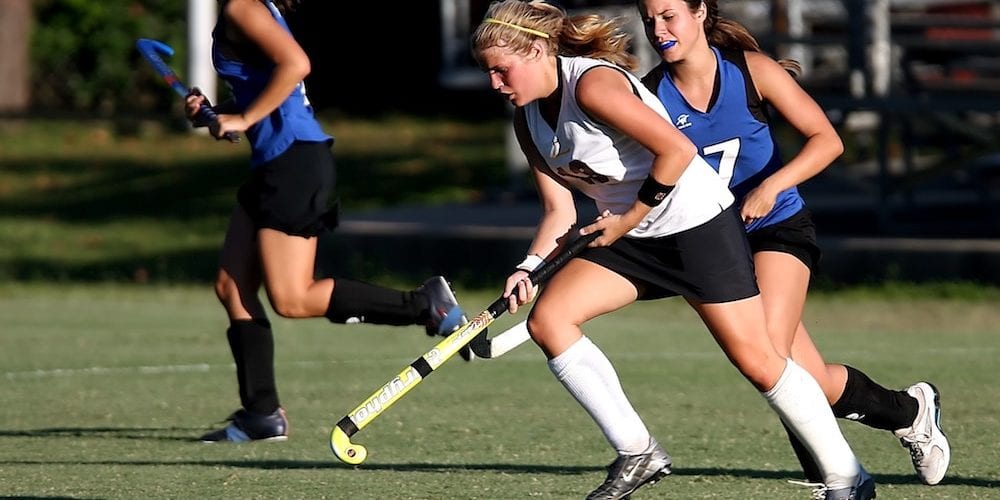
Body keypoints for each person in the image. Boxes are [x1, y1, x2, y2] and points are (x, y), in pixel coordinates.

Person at [472, 1, 874, 498]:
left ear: (536, 50)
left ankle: (847, 476)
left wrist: (627, 221)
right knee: (549, 320)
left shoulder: (593, 85)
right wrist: (529, 266)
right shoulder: (527, 119)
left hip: (695, 225)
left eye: (501, 69)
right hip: (632, 235)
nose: (495, 83)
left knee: (758, 359)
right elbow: (560, 211)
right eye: (489, 71)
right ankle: (637, 451)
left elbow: (678, 151)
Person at [636, 0, 950, 487]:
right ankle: (908, 411)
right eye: (649, 18)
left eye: (669, 15)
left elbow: (827, 139)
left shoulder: (750, 72)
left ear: (700, 13)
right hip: (715, 243)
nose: (658, 29)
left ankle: (837, 478)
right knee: (807, 379)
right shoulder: (650, 95)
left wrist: (771, 186)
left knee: (770, 358)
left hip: (777, 227)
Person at [185, 0, 469, 443]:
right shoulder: (250, 8)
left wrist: (243, 117)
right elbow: (268, 83)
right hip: (275, 163)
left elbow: (296, 65)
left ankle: (424, 306)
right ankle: (261, 415)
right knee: (232, 286)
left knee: (293, 298)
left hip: (292, 164)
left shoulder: (244, 7)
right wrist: (218, 110)